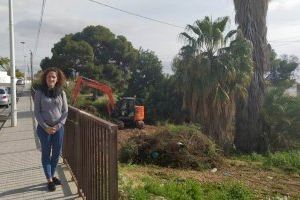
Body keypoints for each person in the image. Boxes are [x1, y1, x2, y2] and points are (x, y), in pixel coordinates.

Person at [34, 67, 68, 192]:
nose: (51, 79)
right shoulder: (39, 92)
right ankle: (49, 180)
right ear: (45, 78)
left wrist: (58, 126)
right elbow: (37, 112)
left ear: (57, 79)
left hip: (58, 128)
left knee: (57, 153)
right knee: (46, 154)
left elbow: (65, 111)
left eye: (54, 77)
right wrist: (46, 127)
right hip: (44, 129)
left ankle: (52, 175)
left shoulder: (61, 92)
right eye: (49, 76)